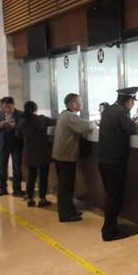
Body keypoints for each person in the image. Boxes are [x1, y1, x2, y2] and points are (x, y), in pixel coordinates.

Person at [98, 87, 138, 241]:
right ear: (128, 101)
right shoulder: (122, 113)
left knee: (110, 195)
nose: (133, 104)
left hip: (103, 159)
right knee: (114, 197)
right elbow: (134, 129)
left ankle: (110, 227)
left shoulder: (108, 111)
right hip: (115, 161)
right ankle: (109, 231)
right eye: (132, 101)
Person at [52, 93, 93, 222]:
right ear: (74, 104)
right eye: (80, 101)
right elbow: (86, 127)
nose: (81, 104)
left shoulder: (63, 114)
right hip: (66, 156)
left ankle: (69, 210)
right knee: (66, 186)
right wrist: (94, 123)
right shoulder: (70, 117)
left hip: (60, 155)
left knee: (65, 186)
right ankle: (65, 214)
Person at [16, 101, 56, 208]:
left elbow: (18, 136)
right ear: (35, 109)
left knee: (31, 176)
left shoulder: (22, 122)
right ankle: (42, 199)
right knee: (43, 176)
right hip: (43, 151)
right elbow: (55, 121)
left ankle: (30, 198)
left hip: (29, 151)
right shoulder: (41, 119)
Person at [0, 96, 25, 197]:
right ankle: (3, 189)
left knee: (17, 168)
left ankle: (17, 189)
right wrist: (0, 126)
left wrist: (16, 126)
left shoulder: (20, 114)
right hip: (3, 145)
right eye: (4, 107)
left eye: (9, 107)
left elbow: (25, 128)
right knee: (2, 168)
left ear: (13, 105)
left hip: (16, 144)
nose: (6, 109)